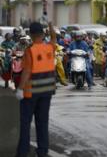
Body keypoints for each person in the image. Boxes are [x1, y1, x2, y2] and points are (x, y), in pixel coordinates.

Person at [15, 22, 56, 157]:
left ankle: (23, 152)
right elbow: (54, 39)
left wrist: (20, 89)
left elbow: (26, 71)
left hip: (30, 93)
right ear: (43, 34)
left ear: (31, 35)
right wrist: (51, 26)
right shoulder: (50, 48)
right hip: (47, 92)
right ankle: (42, 152)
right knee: (42, 123)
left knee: (26, 123)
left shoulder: (30, 50)